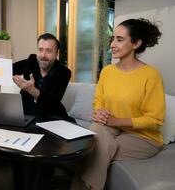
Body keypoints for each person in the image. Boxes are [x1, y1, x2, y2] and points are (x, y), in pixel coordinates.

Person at [71, 18, 165, 190]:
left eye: (120, 40)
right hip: (111, 129)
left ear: (136, 43)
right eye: (112, 39)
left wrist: (115, 121)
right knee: (96, 130)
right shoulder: (107, 71)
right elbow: (99, 100)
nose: (113, 44)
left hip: (143, 137)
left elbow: (155, 119)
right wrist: (99, 112)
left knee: (95, 151)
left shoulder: (151, 76)